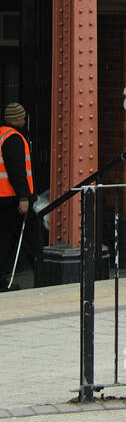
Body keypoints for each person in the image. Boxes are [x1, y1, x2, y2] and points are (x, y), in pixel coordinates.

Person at [0, 102, 40, 290]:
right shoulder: (14, 138)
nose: (24, 120)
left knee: (5, 240)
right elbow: (17, 171)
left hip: (3, 198)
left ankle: (3, 280)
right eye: (23, 117)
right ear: (18, 118)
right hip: (13, 199)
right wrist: (24, 197)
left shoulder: (1, 135)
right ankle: (41, 275)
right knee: (30, 237)